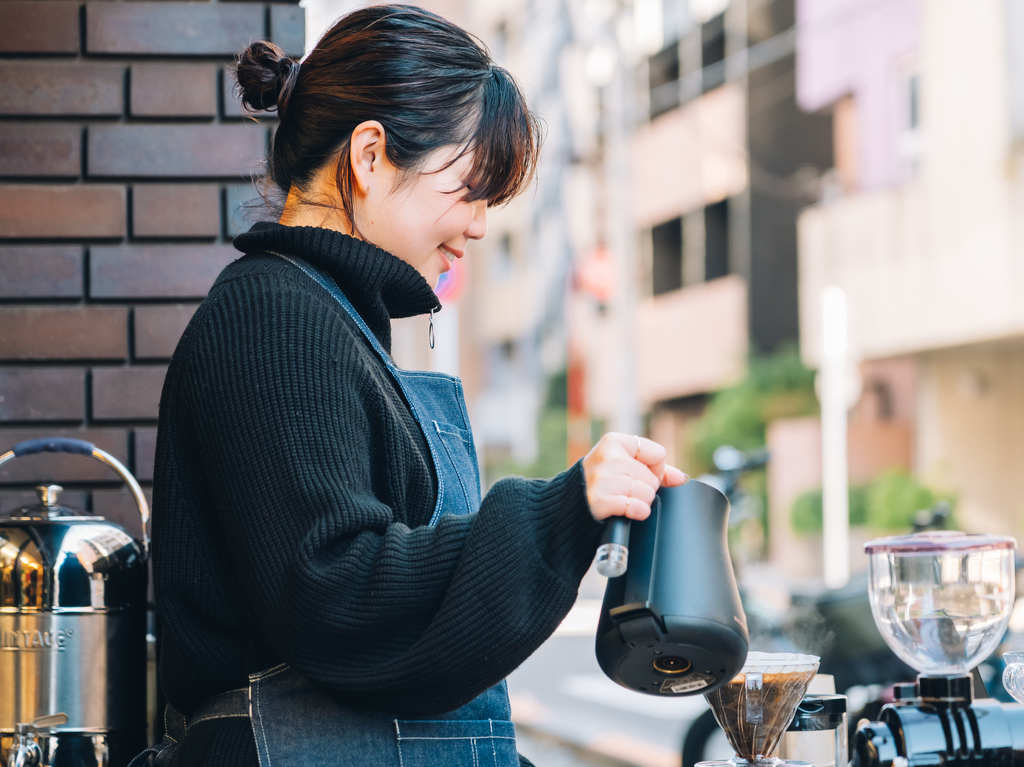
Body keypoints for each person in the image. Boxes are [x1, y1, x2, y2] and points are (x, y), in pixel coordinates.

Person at [138, 6, 687, 767]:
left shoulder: (332, 323)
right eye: (468, 188)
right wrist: (566, 508)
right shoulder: (273, 315)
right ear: (370, 156)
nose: (481, 226)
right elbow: (339, 596)